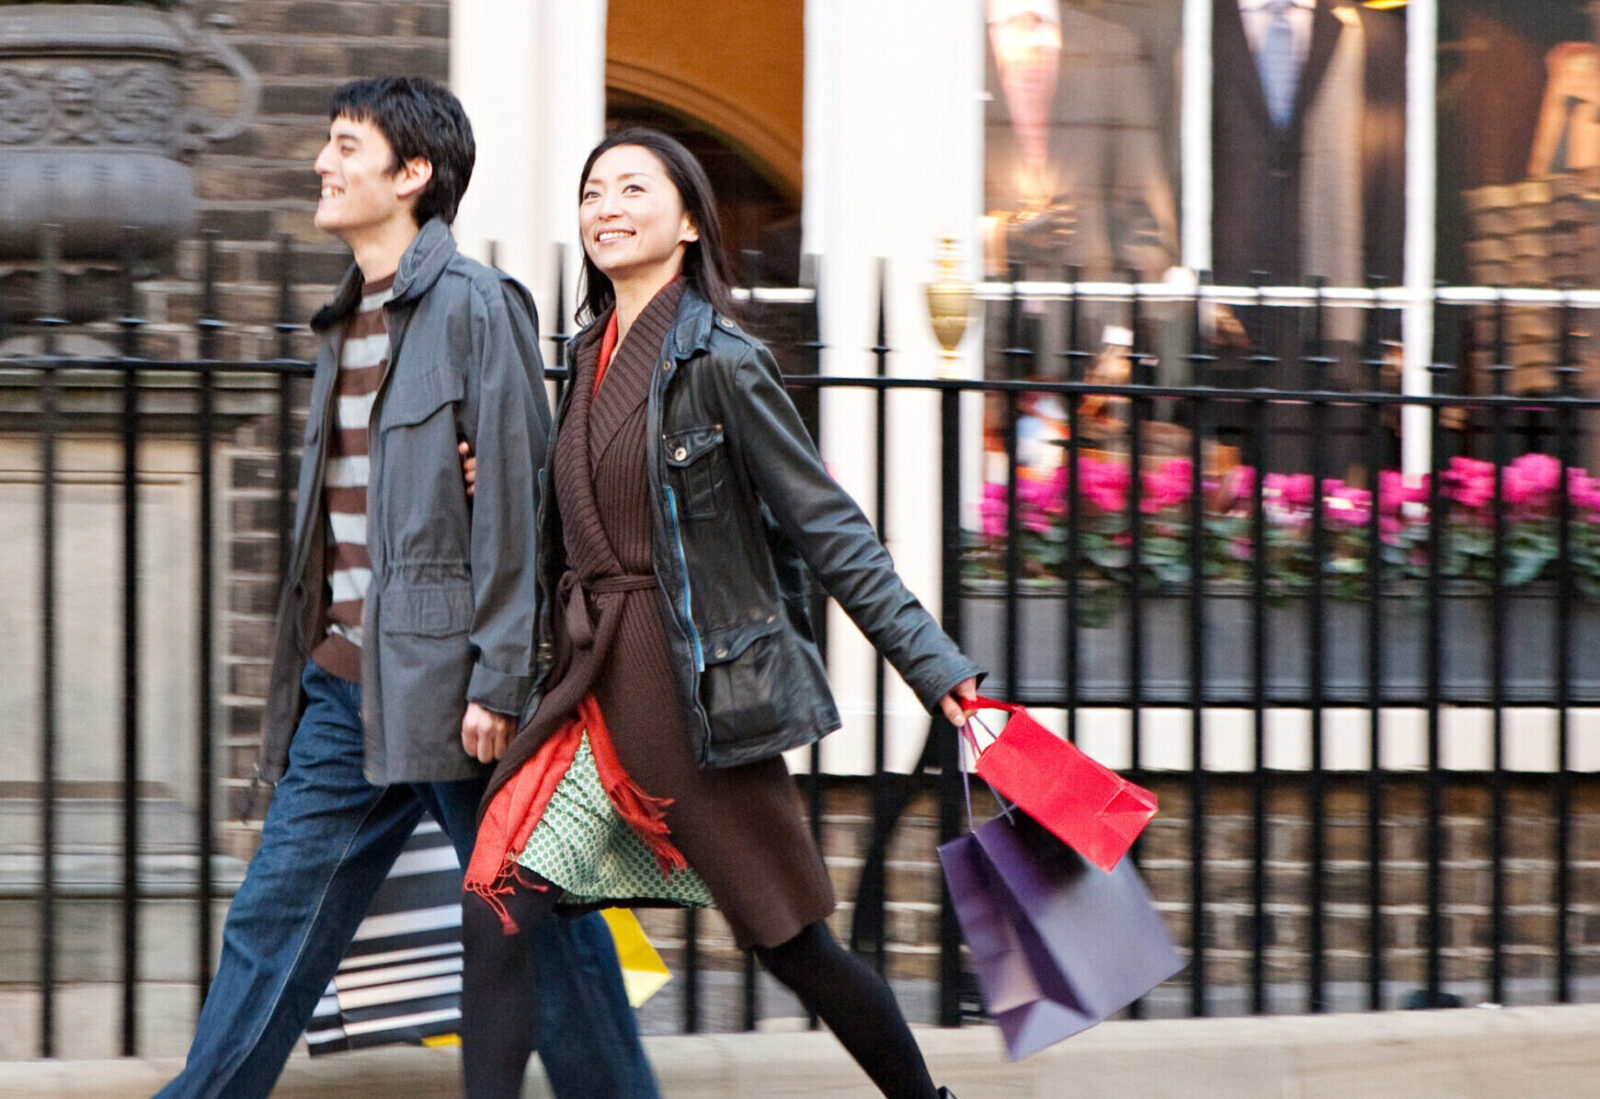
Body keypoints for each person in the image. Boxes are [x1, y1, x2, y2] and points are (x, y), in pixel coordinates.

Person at [154, 78, 657, 1099]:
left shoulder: (474, 307)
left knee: (542, 925)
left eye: (346, 146)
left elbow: (517, 504)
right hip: (347, 681)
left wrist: (501, 679)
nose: (322, 164)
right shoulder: (342, 322)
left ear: (413, 175)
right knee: (273, 917)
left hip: (457, 687)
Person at [455, 127, 977, 1099]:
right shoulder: (586, 353)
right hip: (585, 676)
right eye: (592, 192)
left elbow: (830, 530)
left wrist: (936, 668)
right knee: (498, 900)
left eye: (631, 190)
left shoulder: (722, 359)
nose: (606, 208)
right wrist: (512, 484)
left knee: (790, 941)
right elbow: (588, 514)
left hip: (689, 690)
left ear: (689, 221)